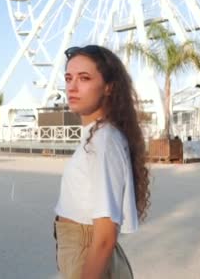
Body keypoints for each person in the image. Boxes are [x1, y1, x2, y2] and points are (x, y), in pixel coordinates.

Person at [54, 45, 150, 279]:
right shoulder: (98, 135)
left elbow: (105, 237)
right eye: (69, 78)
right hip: (79, 246)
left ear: (109, 87)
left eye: (84, 78)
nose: (72, 86)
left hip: (86, 251)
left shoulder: (103, 141)